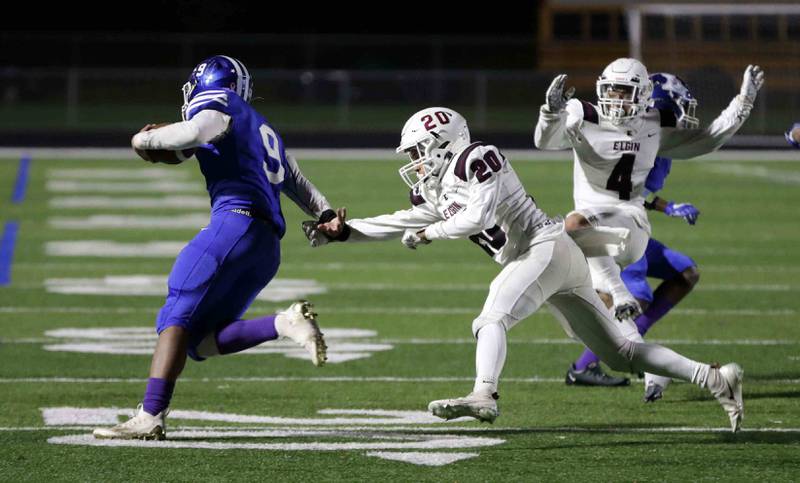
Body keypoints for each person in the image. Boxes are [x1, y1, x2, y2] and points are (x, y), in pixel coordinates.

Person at [305, 106, 746, 432]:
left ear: (443, 141)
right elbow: (397, 222)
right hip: (548, 260)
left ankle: (484, 393)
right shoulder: (436, 189)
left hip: (545, 245)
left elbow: (475, 217)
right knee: (620, 354)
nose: (416, 161)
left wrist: (431, 234)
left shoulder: (477, 157)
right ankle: (715, 379)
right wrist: (344, 231)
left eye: (420, 150)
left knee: (491, 315)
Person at [93, 55, 340, 440]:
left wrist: (143, 139)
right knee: (198, 342)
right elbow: (294, 178)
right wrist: (324, 212)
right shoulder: (259, 124)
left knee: (175, 313)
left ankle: (150, 414)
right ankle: (284, 322)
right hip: (265, 246)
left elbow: (195, 132)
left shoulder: (217, 101)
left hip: (234, 225)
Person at [534, 59, 763, 331]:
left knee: (573, 225)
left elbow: (709, 139)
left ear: (644, 95)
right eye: (611, 90)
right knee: (597, 330)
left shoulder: (653, 125)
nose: (616, 99)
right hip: (593, 237)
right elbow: (544, 142)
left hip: (629, 225)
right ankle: (675, 371)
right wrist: (551, 113)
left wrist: (742, 104)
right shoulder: (583, 115)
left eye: (624, 92)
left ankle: (620, 294)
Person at [565, 74, 702, 399]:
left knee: (686, 272)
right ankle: (588, 366)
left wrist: (667, 207)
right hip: (613, 230)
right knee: (635, 298)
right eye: (678, 106)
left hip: (627, 224)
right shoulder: (640, 135)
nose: (683, 114)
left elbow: (638, 191)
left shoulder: (656, 138)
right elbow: (620, 193)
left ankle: (623, 348)